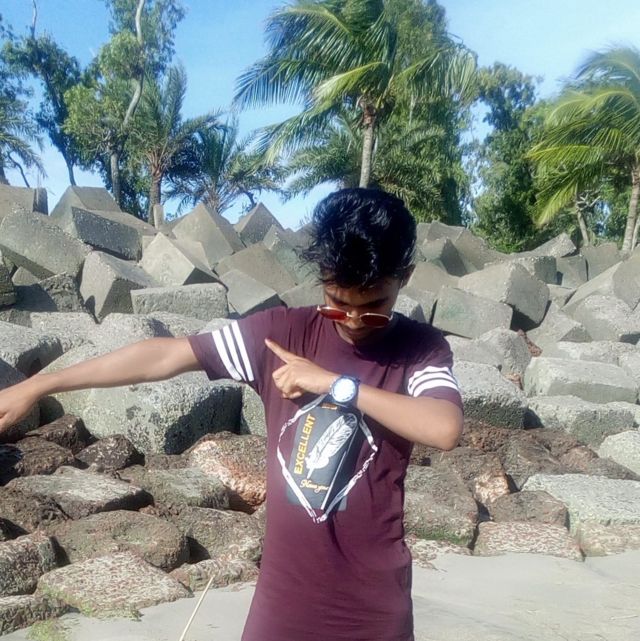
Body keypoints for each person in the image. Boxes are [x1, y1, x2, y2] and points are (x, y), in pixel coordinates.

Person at [0, 188, 463, 641]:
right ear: (322, 276)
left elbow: (443, 427)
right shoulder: (283, 334)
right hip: (285, 600)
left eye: (374, 308)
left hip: (373, 607)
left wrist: (333, 384)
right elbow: (163, 356)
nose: (355, 322)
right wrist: (38, 384)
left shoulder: (418, 349)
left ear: (405, 276)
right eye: (338, 305)